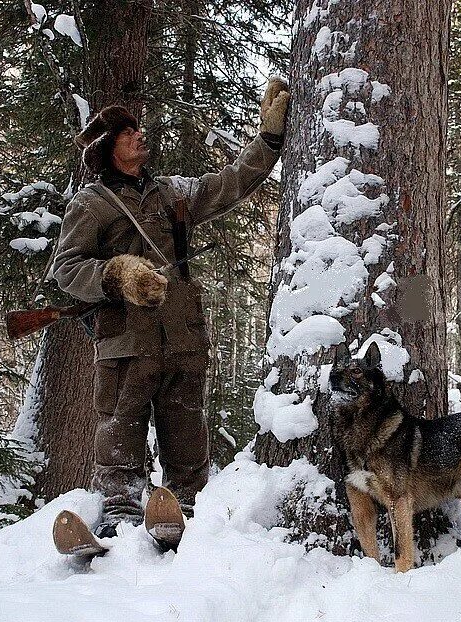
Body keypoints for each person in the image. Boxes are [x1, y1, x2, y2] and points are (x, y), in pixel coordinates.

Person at [52, 78, 289, 538]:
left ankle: (184, 519)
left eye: (138, 129)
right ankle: (119, 524)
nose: (140, 135)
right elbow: (65, 269)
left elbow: (232, 182)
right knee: (118, 448)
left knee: (188, 454)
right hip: (125, 345)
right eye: (127, 133)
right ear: (106, 149)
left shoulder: (172, 192)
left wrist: (269, 139)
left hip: (183, 341)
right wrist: (116, 274)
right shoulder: (91, 204)